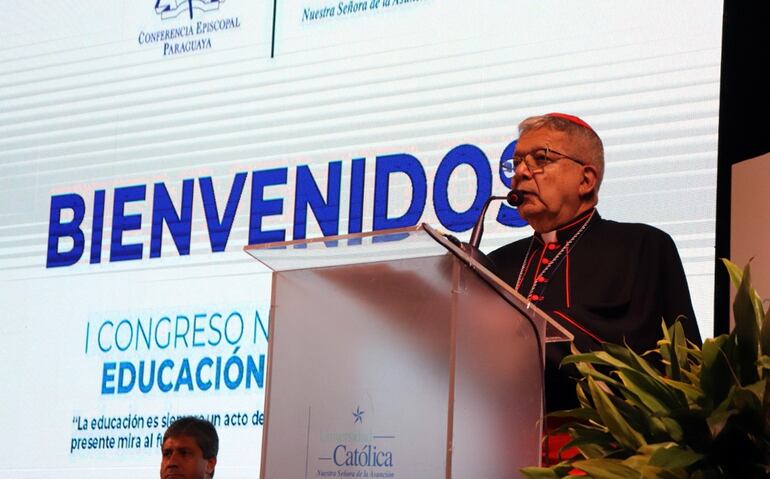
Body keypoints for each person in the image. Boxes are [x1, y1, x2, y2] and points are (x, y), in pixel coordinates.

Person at [489, 112, 702, 414]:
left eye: (540, 159)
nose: (521, 172)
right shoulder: (498, 263)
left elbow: (665, 358)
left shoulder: (641, 245)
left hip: (604, 448)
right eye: (518, 162)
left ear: (586, 180)